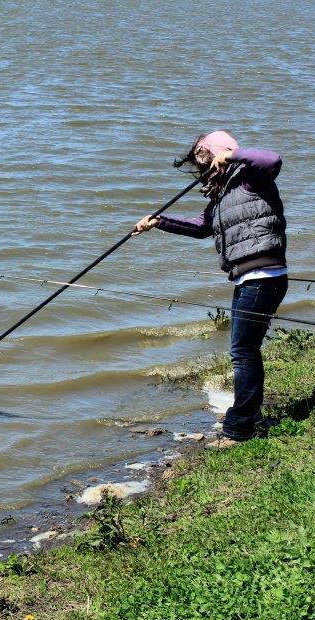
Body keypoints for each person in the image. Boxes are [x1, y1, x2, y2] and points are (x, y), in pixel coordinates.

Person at [133, 131, 288, 448]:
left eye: (205, 160)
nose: (203, 170)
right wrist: (159, 222)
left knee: (243, 353)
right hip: (248, 277)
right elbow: (202, 227)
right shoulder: (223, 193)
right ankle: (248, 417)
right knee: (245, 351)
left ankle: (239, 429)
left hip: (264, 275)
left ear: (220, 152)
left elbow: (273, 158)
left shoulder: (250, 176)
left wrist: (232, 155)